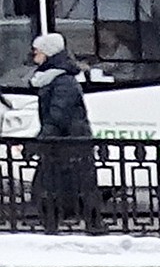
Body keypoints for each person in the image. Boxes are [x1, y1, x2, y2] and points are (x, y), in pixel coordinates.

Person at [29, 32, 104, 233]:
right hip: (64, 145)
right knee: (58, 189)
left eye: (37, 51)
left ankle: (80, 228)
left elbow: (57, 116)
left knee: (52, 190)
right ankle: (60, 227)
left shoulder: (63, 82)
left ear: (48, 53)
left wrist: (37, 143)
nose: (34, 55)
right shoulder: (54, 79)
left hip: (70, 145)